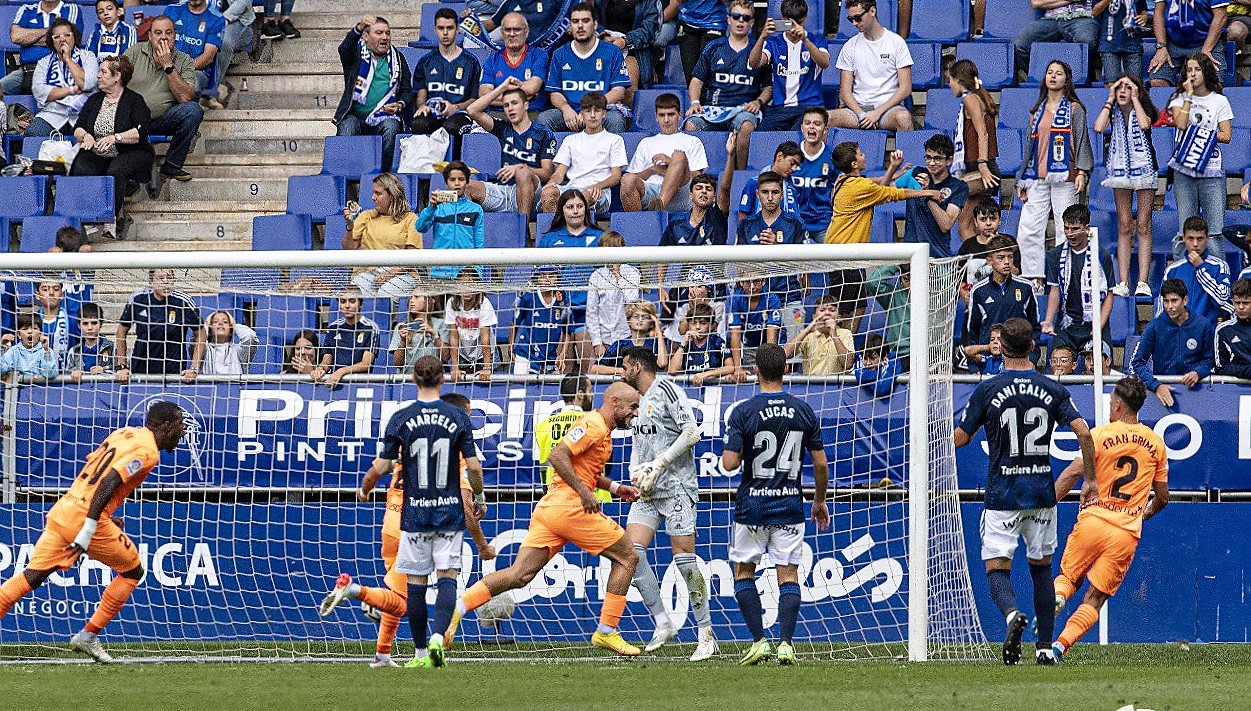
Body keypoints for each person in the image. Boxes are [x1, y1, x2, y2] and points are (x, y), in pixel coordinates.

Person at [445, 382, 644, 657]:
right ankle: (607, 631)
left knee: (520, 575)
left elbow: (581, 468)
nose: (635, 413)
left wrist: (614, 488)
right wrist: (585, 493)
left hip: (550, 508)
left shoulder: (601, 429)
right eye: (632, 407)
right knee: (628, 557)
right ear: (614, 401)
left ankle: (459, 608)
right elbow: (557, 456)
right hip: (571, 508)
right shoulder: (593, 425)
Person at [320, 356, 484, 668]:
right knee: (413, 597)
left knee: (405, 592)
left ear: (413, 379)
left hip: (399, 519)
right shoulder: (456, 422)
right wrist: (479, 496)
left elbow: (381, 466)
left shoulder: (401, 419)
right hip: (441, 514)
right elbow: (473, 469)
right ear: (443, 379)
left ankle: (383, 654)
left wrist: (365, 487)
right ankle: (355, 591)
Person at [954, 317, 1095, 666]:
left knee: (997, 568)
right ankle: (1045, 648)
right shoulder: (1052, 388)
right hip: (1041, 495)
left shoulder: (988, 389)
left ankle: (1010, 615)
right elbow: (1085, 433)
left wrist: (944, 429)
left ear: (1000, 347)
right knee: (1042, 569)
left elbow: (962, 438)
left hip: (1002, 494)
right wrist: (1090, 479)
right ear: (1034, 346)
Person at [0, 401, 185, 663]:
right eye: (179, 423)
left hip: (66, 509)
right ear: (165, 426)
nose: (182, 430)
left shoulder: (123, 434)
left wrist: (105, 514)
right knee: (133, 571)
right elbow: (110, 480)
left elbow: (94, 472)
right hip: (86, 520)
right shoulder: (147, 451)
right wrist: (90, 525)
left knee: (30, 578)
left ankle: (87, 636)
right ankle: (88, 636)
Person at [722, 342, 829, 665]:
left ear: (755, 370)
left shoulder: (744, 411)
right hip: (789, 505)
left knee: (743, 573)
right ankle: (785, 644)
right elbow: (821, 465)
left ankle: (759, 642)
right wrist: (819, 500)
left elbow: (728, 464)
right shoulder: (803, 410)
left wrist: (736, 448)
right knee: (789, 576)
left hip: (752, 506)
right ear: (786, 369)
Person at [1049, 377, 1169, 662]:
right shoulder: (1156, 443)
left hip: (1093, 520)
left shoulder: (1100, 435)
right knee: (1096, 596)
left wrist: (1045, 504)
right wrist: (1142, 514)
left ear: (1116, 404)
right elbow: (1163, 497)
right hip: (1125, 532)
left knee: (1068, 577)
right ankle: (1059, 647)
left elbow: (1071, 473)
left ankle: (1058, 597)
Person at [619, 347, 714, 659]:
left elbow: (691, 433)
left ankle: (706, 633)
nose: (621, 373)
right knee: (629, 553)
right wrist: (636, 469)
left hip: (676, 487)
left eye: (624, 367)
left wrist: (659, 464)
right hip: (648, 490)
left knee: (684, 559)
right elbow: (638, 442)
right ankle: (663, 622)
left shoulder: (668, 390)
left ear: (637, 367)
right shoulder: (635, 403)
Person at [1016, 60, 1094, 289]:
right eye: (1049, 72)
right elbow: (1029, 148)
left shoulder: (1074, 109)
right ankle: (1034, 277)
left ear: (1066, 79)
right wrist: (1022, 177)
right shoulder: (1036, 111)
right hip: (1037, 175)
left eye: (1058, 73)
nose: (1053, 76)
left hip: (1066, 176)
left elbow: (1082, 141)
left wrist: (1081, 171)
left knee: (1065, 227)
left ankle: (1063, 278)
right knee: (1029, 226)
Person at [70, 55, 153, 236]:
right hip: (100, 152)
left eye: (103, 72)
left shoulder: (134, 100)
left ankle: (111, 219)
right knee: (81, 164)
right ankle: (87, 217)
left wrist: (115, 138)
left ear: (117, 77)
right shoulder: (95, 100)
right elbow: (78, 128)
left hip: (132, 151)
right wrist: (87, 136)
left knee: (116, 170)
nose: (98, 76)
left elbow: (140, 132)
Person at [683, 0, 769, 171]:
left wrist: (758, 102)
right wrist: (694, 103)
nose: (740, 21)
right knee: (690, 125)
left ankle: (740, 175)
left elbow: (769, 87)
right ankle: (695, 181)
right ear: (729, 19)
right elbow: (696, 81)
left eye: (746, 18)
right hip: (713, 110)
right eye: (736, 16)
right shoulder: (713, 47)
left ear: (751, 22)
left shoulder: (757, 51)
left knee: (746, 127)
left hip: (742, 111)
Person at [1165, 53, 1233, 260]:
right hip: (1184, 170)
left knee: (1214, 233)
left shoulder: (1220, 100)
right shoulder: (1178, 99)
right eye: (1189, 69)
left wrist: (1201, 137)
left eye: (1197, 69)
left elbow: (1226, 135)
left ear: (1206, 72)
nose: (1192, 74)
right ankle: (1180, 282)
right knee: (1184, 230)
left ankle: (1217, 281)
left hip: (1211, 169)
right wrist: (1187, 97)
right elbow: (1181, 124)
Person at [1096, 74, 1158, 297]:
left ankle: (1143, 281)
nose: (1123, 91)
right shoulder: (1112, 110)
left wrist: (1137, 98)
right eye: (1119, 87)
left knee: (1143, 224)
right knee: (1124, 224)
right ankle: (1123, 280)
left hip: (1145, 170)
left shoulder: (1144, 109)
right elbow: (1098, 127)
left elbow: (1144, 124)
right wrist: (1109, 99)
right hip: (1120, 169)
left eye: (1127, 87)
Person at [123, 15, 204, 182]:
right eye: (158, 33)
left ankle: (172, 165)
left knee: (193, 110)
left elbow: (185, 97)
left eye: (168, 33)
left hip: (162, 119)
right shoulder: (134, 52)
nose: (164, 37)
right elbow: (114, 81)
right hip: (131, 120)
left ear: (175, 35)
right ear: (150, 36)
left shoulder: (184, 60)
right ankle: (129, 178)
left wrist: (168, 65)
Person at [334, 16, 414, 173]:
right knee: (346, 129)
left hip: (383, 117)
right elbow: (344, 49)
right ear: (366, 36)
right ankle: (347, 181)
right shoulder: (355, 55)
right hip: (355, 116)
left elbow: (407, 91)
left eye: (387, 33)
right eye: (379, 33)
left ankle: (384, 177)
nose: (385, 37)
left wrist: (399, 105)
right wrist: (359, 27)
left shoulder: (398, 58)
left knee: (391, 127)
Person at [466, 81, 556, 219]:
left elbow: (547, 173)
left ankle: (523, 234)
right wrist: (502, 88)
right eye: (506, 105)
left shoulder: (543, 132)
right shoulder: (503, 128)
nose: (510, 108)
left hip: (535, 195)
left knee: (522, 174)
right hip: (506, 192)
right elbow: (472, 110)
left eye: (514, 103)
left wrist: (520, 168)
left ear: (526, 105)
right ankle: (470, 237)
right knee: (466, 186)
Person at [537, 189, 604, 372]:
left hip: (588, 313)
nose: (575, 211)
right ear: (562, 210)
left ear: (586, 209)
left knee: (588, 370)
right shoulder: (550, 240)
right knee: (561, 370)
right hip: (559, 314)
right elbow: (537, 277)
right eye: (570, 207)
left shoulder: (599, 237)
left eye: (579, 206)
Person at [736, 171, 808, 340]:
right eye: (765, 192)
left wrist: (777, 248)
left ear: (782, 195)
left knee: (793, 353)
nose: (770, 197)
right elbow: (739, 264)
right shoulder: (747, 225)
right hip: (755, 300)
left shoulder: (795, 224)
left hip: (788, 298)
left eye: (775, 192)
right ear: (757, 194)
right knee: (756, 355)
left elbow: (802, 264)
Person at [539, 3, 632, 133]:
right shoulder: (559, 54)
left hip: (601, 110)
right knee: (545, 119)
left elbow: (619, 90)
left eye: (585, 21)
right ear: (570, 27)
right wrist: (566, 109)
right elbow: (554, 92)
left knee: (615, 119)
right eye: (575, 21)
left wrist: (593, 109)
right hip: (572, 112)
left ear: (595, 24)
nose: (580, 26)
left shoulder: (612, 52)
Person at [825, 142, 939, 244]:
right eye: (860, 154)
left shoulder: (842, 179)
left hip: (835, 244)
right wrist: (929, 192)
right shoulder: (861, 187)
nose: (864, 155)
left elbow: (875, 182)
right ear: (854, 164)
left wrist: (894, 169)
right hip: (844, 251)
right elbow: (896, 193)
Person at [830, 0, 913, 133]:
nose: (854, 23)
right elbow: (845, 93)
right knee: (824, 119)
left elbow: (905, 88)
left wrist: (877, 113)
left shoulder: (896, 43)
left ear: (872, 11)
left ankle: (906, 155)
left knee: (903, 118)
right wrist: (862, 114)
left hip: (888, 110)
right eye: (851, 19)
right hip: (857, 110)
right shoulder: (849, 46)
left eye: (858, 18)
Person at [540, 91, 627, 216]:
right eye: (588, 111)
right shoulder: (570, 140)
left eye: (597, 111)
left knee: (582, 197)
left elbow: (616, 176)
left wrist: (599, 185)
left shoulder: (615, 140)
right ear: (581, 114)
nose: (592, 115)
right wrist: (551, 183)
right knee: (548, 193)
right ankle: (557, 232)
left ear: (604, 114)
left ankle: (573, 233)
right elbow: (559, 172)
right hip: (572, 188)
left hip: (598, 192)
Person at [1042, 204, 1115, 352]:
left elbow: (1109, 295)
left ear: (1086, 228)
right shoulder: (1055, 255)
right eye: (1066, 228)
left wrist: (1099, 325)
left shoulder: (1102, 255)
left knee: (1101, 367)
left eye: (1075, 229)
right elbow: (1055, 289)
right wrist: (1049, 321)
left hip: (1094, 324)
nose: (1070, 234)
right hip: (1066, 326)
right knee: (1059, 365)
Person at [1130, 278, 1214, 407]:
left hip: (1196, 391)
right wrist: (1155, 385)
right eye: (1166, 301)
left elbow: (1209, 359)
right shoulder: (1154, 327)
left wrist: (1198, 372)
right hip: (1163, 392)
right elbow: (1138, 362)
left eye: (1174, 301)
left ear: (1185, 300)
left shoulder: (1203, 325)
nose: (1170, 306)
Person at [747, 0, 828, 131]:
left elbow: (824, 63)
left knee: (797, 135)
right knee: (760, 138)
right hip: (780, 109)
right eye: (789, 23)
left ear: (805, 18)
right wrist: (762, 37)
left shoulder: (816, 40)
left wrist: (805, 40)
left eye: (799, 22)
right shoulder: (773, 42)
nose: (793, 28)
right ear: (782, 18)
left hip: (810, 108)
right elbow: (754, 63)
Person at [621, 92, 708, 212]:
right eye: (662, 115)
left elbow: (699, 179)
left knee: (679, 156)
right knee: (627, 179)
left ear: (680, 115)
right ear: (656, 117)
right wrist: (652, 170)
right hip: (651, 192)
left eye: (671, 114)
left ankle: (660, 206)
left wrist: (673, 165)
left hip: (681, 193)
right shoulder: (646, 142)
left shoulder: (693, 141)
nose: (666, 120)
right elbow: (634, 178)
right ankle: (639, 225)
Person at [341, 172, 422, 297]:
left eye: (378, 193)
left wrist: (389, 274)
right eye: (373, 193)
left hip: (401, 273)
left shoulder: (410, 219)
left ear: (392, 196)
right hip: (367, 273)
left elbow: (413, 257)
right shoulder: (366, 216)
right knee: (356, 294)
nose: (373, 197)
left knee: (386, 293)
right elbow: (349, 248)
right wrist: (350, 225)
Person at [115, 268, 203, 381]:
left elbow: (201, 332)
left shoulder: (183, 301)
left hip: (173, 375)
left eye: (169, 278)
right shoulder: (139, 299)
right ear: (151, 281)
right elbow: (121, 331)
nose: (166, 281)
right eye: (161, 278)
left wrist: (194, 367)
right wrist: (122, 366)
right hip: (140, 373)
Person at [946, 58, 1000, 240]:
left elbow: (982, 133)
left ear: (959, 81)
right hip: (974, 169)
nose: (950, 85)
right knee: (966, 226)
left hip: (981, 170)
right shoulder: (978, 96)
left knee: (946, 192)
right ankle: (982, 262)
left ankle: (983, 262)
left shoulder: (970, 98)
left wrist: (982, 164)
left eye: (950, 81)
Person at [534, 374, 608, 502]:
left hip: (556, 498)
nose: (592, 396)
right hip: (592, 499)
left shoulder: (543, 425)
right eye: (590, 391)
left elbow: (543, 466)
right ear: (580, 394)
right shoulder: (593, 422)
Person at [411, 8, 482, 137]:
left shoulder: (471, 61)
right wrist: (422, 106)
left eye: (449, 28)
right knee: (418, 124)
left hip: (460, 114)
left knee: (451, 126)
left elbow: (475, 99)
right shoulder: (425, 61)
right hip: (433, 113)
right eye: (440, 28)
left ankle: (456, 158)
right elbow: (420, 98)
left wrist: (455, 107)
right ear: (435, 29)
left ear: (457, 29)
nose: (445, 33)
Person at [897, 133, 967, 259]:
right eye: (928, 158)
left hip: (938, 256)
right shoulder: (916, 173)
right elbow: (888, 190)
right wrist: (893, 169)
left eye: (938, 158)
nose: (932, 163)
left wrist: (927, 193)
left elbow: (946, 224)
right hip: (911, 254)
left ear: (949, 160)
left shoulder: (958, 187)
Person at [967, 235, 1042, 351]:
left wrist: (1032, 357)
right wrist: (974, 366)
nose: (1007, 262)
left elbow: (1035, 325)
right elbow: (973, 330)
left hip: (1019, 356)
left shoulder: (1026, 287)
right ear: (989, 261)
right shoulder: (978, 291)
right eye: (1001, 258)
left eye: (1010, 257)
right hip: (989, 357)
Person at [25, 18, 97, 138]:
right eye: (57, 37)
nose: (62, 39)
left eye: (67, 35)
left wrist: (68, 60)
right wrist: (72, 90)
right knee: (34, 132)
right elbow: (40, 92)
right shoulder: (44, 63)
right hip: (53, 115)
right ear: (52, 42)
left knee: (97, 132)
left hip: (84, 114)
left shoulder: (88, 57)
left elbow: (87, 84)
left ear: (74, 37)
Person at [1161, 215, 1233, 326]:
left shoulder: (1220, 266)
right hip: (1179, 334)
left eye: (1200, 239)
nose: (1195, 244)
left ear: (1207, 238)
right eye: (1191, 238)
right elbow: (1162, 307)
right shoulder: (1172, 270)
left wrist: (1201, 268)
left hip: (1209, 334)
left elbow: (1222, 300)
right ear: (1183, 238)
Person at [419, 161, 485, 281]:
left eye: (461, 179)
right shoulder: (437, 207)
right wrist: (431, 208)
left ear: (467, 182)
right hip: (439, 274)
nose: (457, 183)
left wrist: (477, 274)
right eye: (452, 179)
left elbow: (478, 245)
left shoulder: (476, 210)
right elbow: (420, 227)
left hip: (465, 277)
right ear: (446, 183)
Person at [1, 0, 83, 95]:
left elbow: (67, 40)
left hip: (57, 69)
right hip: (26, 69)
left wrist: (28, 38)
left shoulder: (70, 9)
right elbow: (16, 37)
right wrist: (50, 30)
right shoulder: (27, 9)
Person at [586, 232, 642, 361]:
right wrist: (596, 343)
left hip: (627, 338)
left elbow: (632, 299)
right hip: (603, 340)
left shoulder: (632, 272)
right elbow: (591, 312)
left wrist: (618, 276)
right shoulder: (596, 275)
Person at [478, 13, 549, 113]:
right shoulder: (492, 59)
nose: (512, 34)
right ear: (502, 33)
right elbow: (484, 94)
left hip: (530, 115)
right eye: (507, 30)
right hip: (498, 116)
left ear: (526, 32)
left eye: (517, 29)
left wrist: (495, 95)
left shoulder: (538, 55)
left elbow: (531, 89)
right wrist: (524, 95)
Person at [1148, 0, 1230, 86]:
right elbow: (1158, 13)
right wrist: (1161, 47)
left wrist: (1206, 50)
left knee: (1213, 83)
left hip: (1206, 43)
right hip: (1173, 44)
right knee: (1157, 82)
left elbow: (1220, 16)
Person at [1013, 1, 1098, 84]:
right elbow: (1036, 3)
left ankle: (1085, 80)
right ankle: (1041, 77)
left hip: (1081, 17)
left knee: (1087, 41)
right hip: (1050, 19)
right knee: (1018, 45)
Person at [163, 0, 225, 107]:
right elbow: (160, 43)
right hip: (167, 66)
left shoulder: (216, 18)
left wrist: (177, 70)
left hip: (196, 71)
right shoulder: (172, 10)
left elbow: (207, 57)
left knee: (190, 84)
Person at [317, 286, 381, 388]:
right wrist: (321, 369)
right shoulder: (333, 327)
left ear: (360, 303)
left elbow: (366, 363)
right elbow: (327, 358)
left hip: (360, 385)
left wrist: (341, 371)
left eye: (352, 301)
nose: (347, 306)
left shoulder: (371, 327)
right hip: (335, 383)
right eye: (343, 301)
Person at [511, 265, 570, 375]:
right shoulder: (528, 296)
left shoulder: (562, 299)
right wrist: (511, 347)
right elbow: (514, 323)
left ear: (558, 278)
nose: (547, 280)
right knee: (518, 388)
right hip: (525, 353)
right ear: (537, 279)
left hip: (550, 357)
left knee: (552, 390)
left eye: (552, 276)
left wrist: (562, 353)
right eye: (543, 276)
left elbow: (568, 330)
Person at [597, 0, 660, 95]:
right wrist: (603, 35)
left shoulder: (649, 2)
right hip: (603, 45)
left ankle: (627, 110)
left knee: (628, 84)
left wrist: (625, 41)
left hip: (634, 50)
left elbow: (649, 30)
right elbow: (592, 19)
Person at [793, 107, 837, 243]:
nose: (811, 127)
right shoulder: (791, 156)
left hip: (824, 224)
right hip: (795, 224)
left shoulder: (833, 158)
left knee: (832, 261)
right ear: (801, 128)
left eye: (817, 124)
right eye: (807, 123)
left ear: (825, 130)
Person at [727, 268, 781, 378]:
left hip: (771, 346)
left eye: (756, 281)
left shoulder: (771, 298)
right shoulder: (736, 300)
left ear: (763, 281)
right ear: (741, 282)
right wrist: (737, 369)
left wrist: (769, 364)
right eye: (747, 282)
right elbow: (735, 333)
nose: (752, 287)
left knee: (769, 374)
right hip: (749, 345)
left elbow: (771, 334)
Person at [592, 299, 669, 375]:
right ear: (629, 321)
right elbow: (595, 368)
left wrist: (658, 330)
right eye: (636, 316)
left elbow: (662, 363)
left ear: (651, 323)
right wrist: (621, 370)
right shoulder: (619, 345)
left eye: (645, 317)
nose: (640, 320)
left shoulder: (656, 343)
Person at [446, 268, 497, 382]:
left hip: (485, 354)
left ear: (477, 287)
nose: (466, 289)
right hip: (464, 353)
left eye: (471, 284)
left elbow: (485, 338)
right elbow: (453, 337)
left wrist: (486, 367)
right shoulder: (452, 303)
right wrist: (455, 367)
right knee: (461, 382)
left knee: (485, 381)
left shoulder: (484, 303)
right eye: (462, 285)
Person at [783, 294, 854, 375]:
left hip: (836, 386)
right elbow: (785, 354)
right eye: (822, 310)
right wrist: (807, 331)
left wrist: (834, 335)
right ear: (814, 316)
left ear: (839, 317)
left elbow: (848, 364)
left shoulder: (845, 333)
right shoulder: (808, 335)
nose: (827, 313)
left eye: (832, 310)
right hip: (810, 386)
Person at [668, 302, 735, 383]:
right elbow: (672, 370)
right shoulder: (686, 344)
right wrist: (683, 344)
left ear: (711, 326)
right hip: (690, 388)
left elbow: (730, 367)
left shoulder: (717, 342)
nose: (697, 327)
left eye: (703, 323)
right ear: (688, 325)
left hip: (712, 389)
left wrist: (706, 374)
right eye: (693, 323)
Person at [737, 141, 802, 219]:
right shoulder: (754, 183)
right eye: (792, 163)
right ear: (779, 157)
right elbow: (743, 213)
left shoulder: (793, 186)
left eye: (796, 166)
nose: (794, 169)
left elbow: (797, 217)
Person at [671, 0, 728, 83]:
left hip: (714, 22)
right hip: (687, 21)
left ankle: (708, 95)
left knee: (708, 71)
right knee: (690, 75)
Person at [866, 264, 912, 365]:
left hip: (927, 355)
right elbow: (872, 283)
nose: (910, 285)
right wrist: (896, 263)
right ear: (900, 279)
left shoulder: (935, 296)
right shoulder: (894, 295)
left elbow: (950, 281)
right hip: (898, 356)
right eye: (906, 280)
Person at [391, 292, 447, 373]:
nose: (411, 300)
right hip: (408, 379)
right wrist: (403, 340)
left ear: (429, 300)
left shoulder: (440, 324)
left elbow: (446, 357)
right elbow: (398, 364)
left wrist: (434, 334)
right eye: (410, 297)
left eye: (416, 297)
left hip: (433, 378)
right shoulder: (402, 327)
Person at [212, 0, 254, 107]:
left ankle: (212, 91)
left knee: (223, 40)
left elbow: (242, 2)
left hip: (239, 24)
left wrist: (224, 20)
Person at [1100, 0, 1150, 82]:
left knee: (1135, 83)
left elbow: (1143, 10)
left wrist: (1144, 17)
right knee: (1111, 82)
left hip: (1133, 41)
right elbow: (1094, 12)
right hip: (1109, 42)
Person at [196, 309, 258, 376]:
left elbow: (251, 337)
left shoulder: (238, 352)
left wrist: (234, 325)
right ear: (209, 330)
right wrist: (205, 325)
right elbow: (195, 340)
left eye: (225, 322)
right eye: (215, 322)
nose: (220, 323)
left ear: (231, 331)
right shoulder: (203, 350)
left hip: (235, 386)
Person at [65, 301, 115, 382]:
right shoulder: (74, 351)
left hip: (105, 391)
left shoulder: (112, 348)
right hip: (81, 392)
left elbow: (120, 372)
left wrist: (104, 372)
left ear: (101, 324)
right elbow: (66, 375)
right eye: (85, 323)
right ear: (79, 325)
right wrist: (73, 374)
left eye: (94, 323)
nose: (90, 327)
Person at [1, 313, 59, 381]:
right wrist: (1, 346)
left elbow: (50, 374)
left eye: (34, 328)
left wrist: (46, 351)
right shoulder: (14, 351)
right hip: (20, 390)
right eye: (25, 329)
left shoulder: (46, 350)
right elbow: (1, 369)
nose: (30, 331)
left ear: (40, 333)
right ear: (19, 335)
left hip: (41, 389)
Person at [1216, 278, 1251, 378]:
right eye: (1237, 302)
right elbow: (1221, 367)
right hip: (1236, 390)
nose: (1240, 307)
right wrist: (1248, 371)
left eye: (1245, 303)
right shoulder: (1223, 330)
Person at [854, 332, 902, 397]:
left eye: (872, 359)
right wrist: (879, 374)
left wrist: (869, 378)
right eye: (865, 359)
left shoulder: (893, 361)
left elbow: (882, 389)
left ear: (884, 356)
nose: (868, 363)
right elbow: (860, 375)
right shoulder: (860, 356)